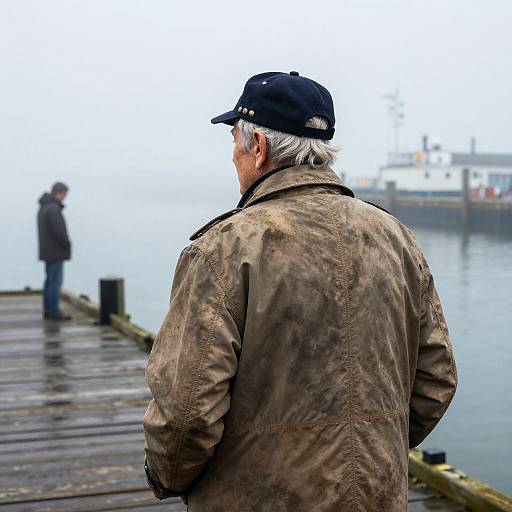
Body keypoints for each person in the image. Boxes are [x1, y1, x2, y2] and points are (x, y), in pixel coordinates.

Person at [143, 71, 457, 511]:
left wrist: (167, 477)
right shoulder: (396, 238)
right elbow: (436, 378)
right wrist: (371, 449)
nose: (233, 155)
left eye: (234, 140)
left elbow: (187, 411)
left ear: (259, 147)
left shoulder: (225, 248)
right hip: (375, 497)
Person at [37, 182, 72, 321]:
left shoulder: (44, 207)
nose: (65, 198)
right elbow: (59, 232)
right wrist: (67, 244)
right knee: (55, 282)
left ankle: (48, 309)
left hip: (47, 250)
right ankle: (53, 310)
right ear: (60, 193)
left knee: (49, 280)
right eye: (65, 194)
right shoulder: (53, 209)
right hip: (55, 251)